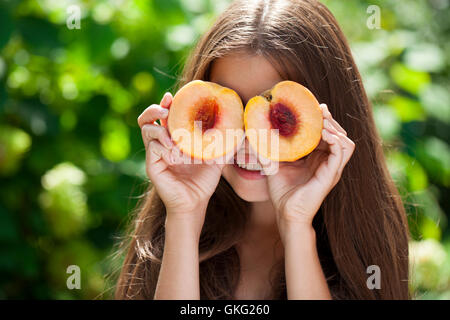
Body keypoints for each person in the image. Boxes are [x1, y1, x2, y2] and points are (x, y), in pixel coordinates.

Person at [115, 0, 409, 300]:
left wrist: (296, 227)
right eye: (230, 108)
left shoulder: (364, 247)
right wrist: (184, 218)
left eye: (276, 116)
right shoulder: (170, 228)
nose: (248, 141)